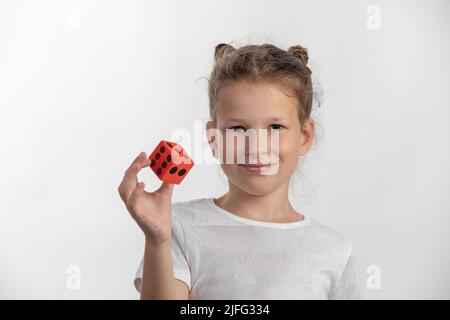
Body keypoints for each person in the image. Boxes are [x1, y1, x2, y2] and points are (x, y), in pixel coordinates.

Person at [118, 43, 360, 300]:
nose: (256, 147)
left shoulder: (334, 251)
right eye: (239, 129)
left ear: (304, 136)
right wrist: (157, 242)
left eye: (275, 127)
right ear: (213, 139)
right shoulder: (176, 227)